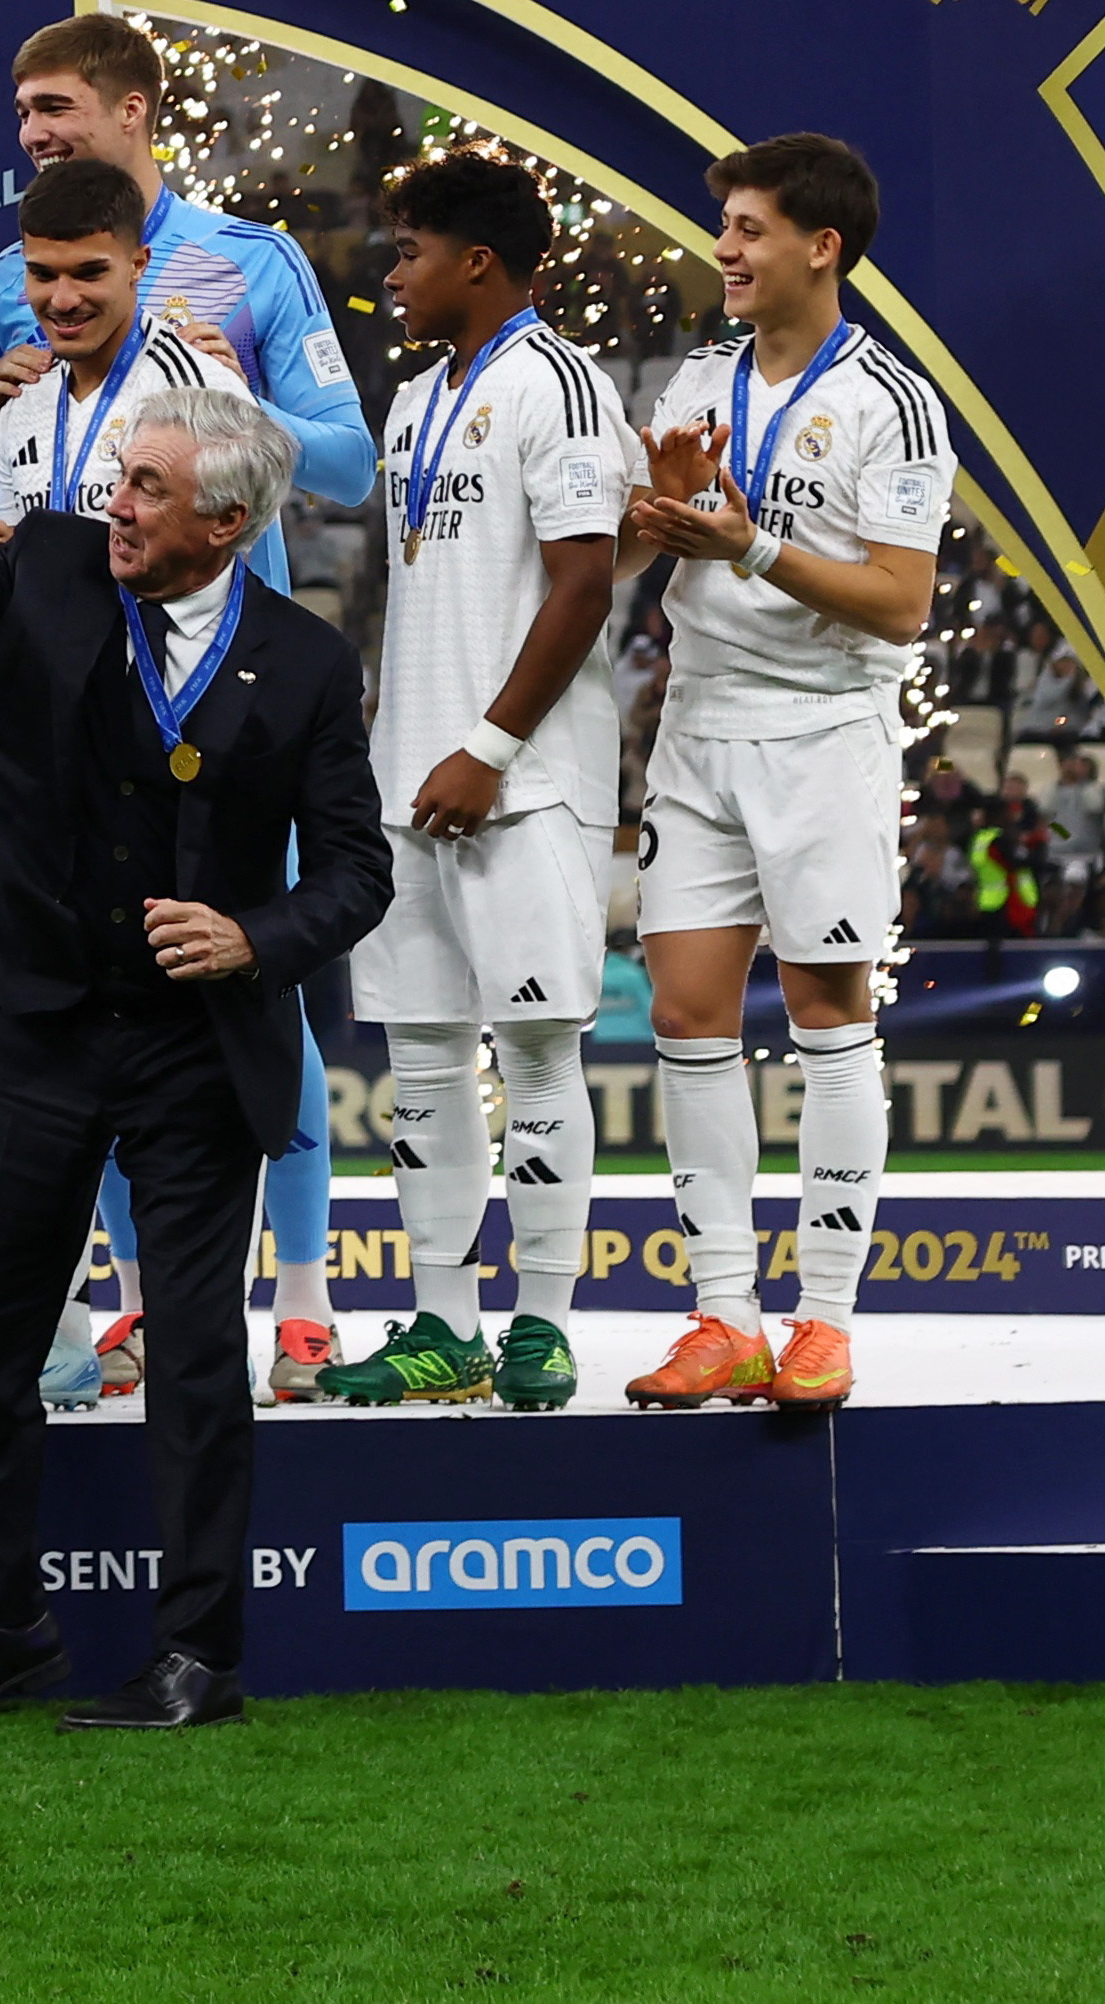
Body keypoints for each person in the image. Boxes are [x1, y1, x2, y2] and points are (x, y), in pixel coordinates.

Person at [0, 361, 391, 1731]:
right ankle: (2, 1630)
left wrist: (256, 938)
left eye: (148, 491)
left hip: (193, 1051)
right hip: (41, 1030)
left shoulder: (305, 661)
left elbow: (356, 875)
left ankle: (198, 1658)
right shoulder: (47, 566)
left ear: (225, 524)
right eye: (118, 479)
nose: (115, 508)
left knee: (195, 1364)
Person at [0, 18, 379, 1408]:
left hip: (224, 688)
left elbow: (353, 468)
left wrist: (211, 400)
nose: (35, 133)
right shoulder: (19, 274)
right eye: (22, 109)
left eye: (56, 104)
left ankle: (301, 1306)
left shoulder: (247, 265)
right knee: (113, 996)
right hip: (74, 711)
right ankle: (136, 1310)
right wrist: (16, 384)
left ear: (133, 108)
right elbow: (32, 469)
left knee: (251, 981)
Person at [621, 133, 950, 1416]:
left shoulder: (892, 400)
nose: (725, 250)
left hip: (824, 729)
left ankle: (822, 1319)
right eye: (725, 229)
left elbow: (900, 605)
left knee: (825, 1013)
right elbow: (652, 555)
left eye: (750, 229)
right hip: (697, 722)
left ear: (822, 245)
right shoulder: (696, 378)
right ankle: (720, 1316)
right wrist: (654, 516)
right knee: (685, 1015)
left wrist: (748, 544)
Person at [313, 154, 635, 1416]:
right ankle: (442, 1324)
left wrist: (488, 747)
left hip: (527, 781)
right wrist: (405, 745)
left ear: (476, 263)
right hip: (411, 777)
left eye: (407, 252)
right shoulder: (409, 402)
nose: (390, 275)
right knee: (430, 1061)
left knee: (540, 1051)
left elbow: (582, 585)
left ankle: (542, 1325)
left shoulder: (558, 383)